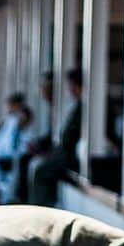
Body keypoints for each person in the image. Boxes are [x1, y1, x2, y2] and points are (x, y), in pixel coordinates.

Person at [28, 68, 83, 207]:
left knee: (40, 169)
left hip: (71, 155)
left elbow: (68, 138)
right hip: (63, 150)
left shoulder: (80, 107)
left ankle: (42, 208)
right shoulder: (72, 106)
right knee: (35, 163)